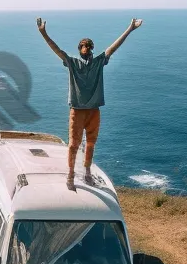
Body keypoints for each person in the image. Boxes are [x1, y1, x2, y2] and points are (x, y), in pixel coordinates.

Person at [35, 17, 143, 188]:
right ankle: (70, 174)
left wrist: (130, 29)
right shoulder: (73, 63)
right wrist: (43, 33)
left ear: (90, 49)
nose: (85, 49)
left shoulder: (97, 62)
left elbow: (113, 47)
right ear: (81, 49)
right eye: (83, 47)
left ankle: (86, 172)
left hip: (93, 110)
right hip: (78, 110)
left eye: (87, 47)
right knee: (73, 145)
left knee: (90, 144)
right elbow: (57, 49)